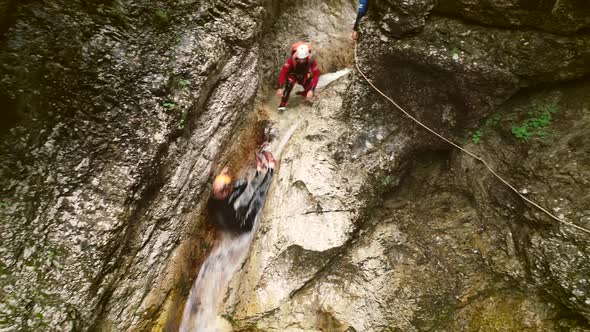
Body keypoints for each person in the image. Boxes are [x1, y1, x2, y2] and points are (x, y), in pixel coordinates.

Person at [207, 145, 276, 233]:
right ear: (224, 191)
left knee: (242, 185)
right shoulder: (233, 204)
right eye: (228, 187)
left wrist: (258, 173)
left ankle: (260, 171)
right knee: (253, 197)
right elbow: (258, 196)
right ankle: (267, 170)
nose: (231, 187)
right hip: (246, 225)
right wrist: (271, 170)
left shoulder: (213, 200)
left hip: (230, 225)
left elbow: (241, 188)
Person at [276, 42, 320, 112]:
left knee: (310, 92)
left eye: (303, 59)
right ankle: (282, 105)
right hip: (293, 73)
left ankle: (302, 93)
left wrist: (312, 90)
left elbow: (316, 75)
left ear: (307, 57)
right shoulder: (291, 59)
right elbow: (283, 72)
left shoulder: (311, 60)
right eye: (300, 59)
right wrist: (280, 87)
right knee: (289, 85)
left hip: (305, 75)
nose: (301, 61)